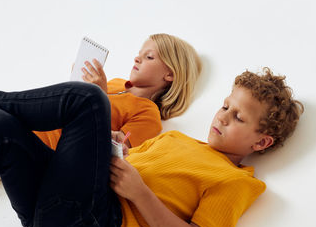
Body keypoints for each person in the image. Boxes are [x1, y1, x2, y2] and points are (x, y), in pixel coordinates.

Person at [0, 67, 303, 227]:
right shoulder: (173, 139)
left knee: (90, 99)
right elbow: (124, 165)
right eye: (225, 106)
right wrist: (114, 147)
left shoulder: (235, 181)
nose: (222, 116)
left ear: (261, 143)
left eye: (238, 117)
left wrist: (140, 193)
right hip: (53, 206)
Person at [34, 33, 202, 149]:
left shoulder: (149, 115)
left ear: (170, 74)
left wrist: (98, 99)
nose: (137, 58)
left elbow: (114, 147)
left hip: (45, 145)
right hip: (36, 121)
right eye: (139, 54)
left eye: (149, 57)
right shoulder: (116, 83)